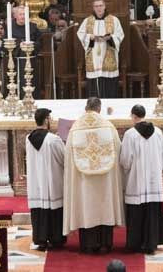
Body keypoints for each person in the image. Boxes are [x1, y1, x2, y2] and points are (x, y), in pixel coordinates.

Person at [63, 97, 124, 253]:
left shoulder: (75, 128)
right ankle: (105, 244)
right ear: (99, 108)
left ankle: (89, 245)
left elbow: (67, 156)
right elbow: (119, 150)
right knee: (105, 207)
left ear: (86, 108)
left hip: (84, 182)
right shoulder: (108, 126)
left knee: (87, 208)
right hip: (105, 181)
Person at [120, 104, 163, 254]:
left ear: (134, 116)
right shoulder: (158, 132)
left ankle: (135, 243)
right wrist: (156, 170)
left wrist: (127, 172)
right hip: (154, 182)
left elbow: (125, 159)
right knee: (152, 211)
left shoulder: (130, 134)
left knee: (137, 211)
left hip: (136, 181)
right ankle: (151, 243)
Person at [26, 108, 65, 251]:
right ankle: (56, 239)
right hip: (51, 182)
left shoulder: (28, 138)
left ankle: (40, 239)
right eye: (50, 118)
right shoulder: (53, 140)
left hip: (36, 183)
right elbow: (64, 159)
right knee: (53, 210)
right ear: (46, 120)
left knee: (39, 210)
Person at [77, 0, 125, 98]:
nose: (99, 8)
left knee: (109, 85)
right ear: (93, 8)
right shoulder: (87, 21)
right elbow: (80, 34)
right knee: (94, 85)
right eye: (96, 6)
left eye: (100, 6)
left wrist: (110, 37)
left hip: (108, 52)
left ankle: (110, 104)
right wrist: (90, 37)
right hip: (94, 54)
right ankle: (94, 105)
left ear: (104, 6)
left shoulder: (114, 20)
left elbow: (120, 35)